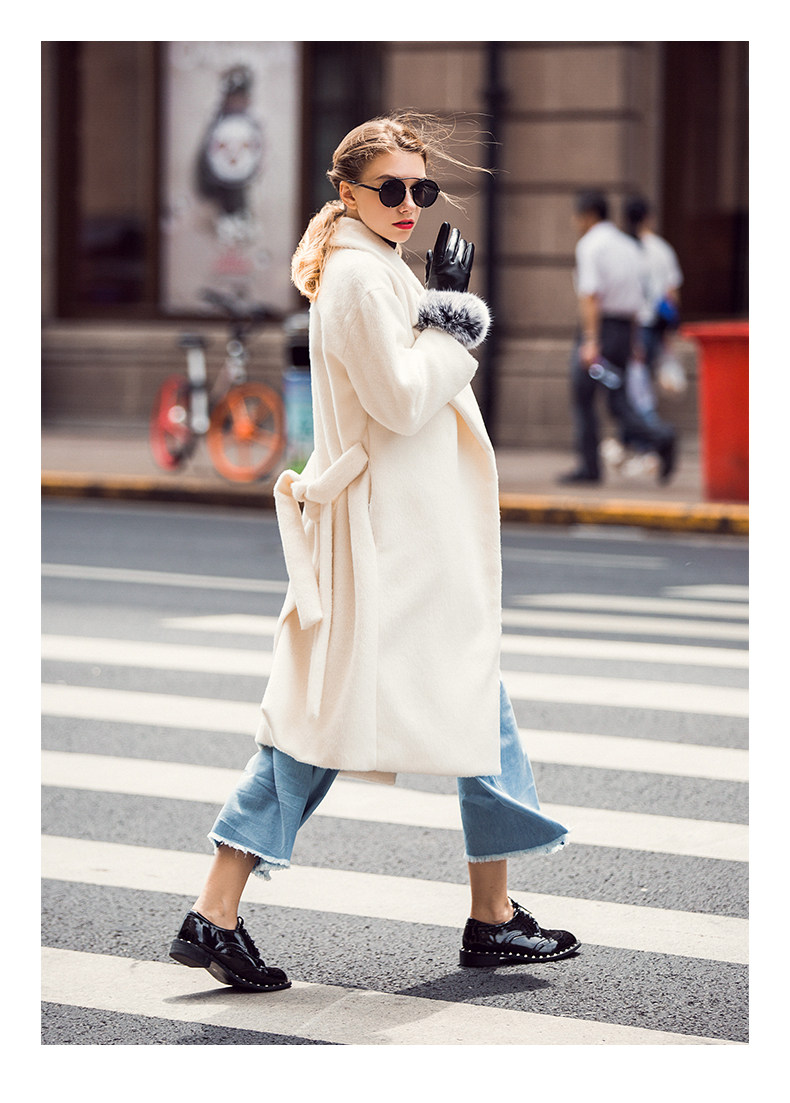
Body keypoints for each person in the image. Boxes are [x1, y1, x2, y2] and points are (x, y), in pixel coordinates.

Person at [168, 113, 579, 993]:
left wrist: (433, 305)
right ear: (347, 190)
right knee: (320, 729)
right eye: (389, 188)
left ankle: (488, 914)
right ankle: (220, 910)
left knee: (445, 711)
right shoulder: (359, 276)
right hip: (386, 545)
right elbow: (398, 400)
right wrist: (451, 316)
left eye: (420, 189)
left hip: (405, 541)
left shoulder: (375, 266)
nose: (407, 204)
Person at [558, 189, 677, 485]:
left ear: (588, 215)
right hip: (624, 331)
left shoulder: (590, 245)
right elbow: (638, 299)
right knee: (618, 400)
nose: (575, 222)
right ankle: (660, 436)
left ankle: (590, 468)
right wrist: (634, 341)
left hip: (601, 331)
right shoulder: (628, 245)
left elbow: (590, 296)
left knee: (583, 397)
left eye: (577, 217)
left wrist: (590, 340)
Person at [623, 195, 684, 415]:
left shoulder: (624, 249)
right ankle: (645, 428)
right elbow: (672, 293)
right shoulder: (662, 249)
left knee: (633, 383)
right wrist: (670, 331)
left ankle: (643, 430)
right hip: (655, 324)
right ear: (649, 218)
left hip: (628, 324)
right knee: (643, 381)